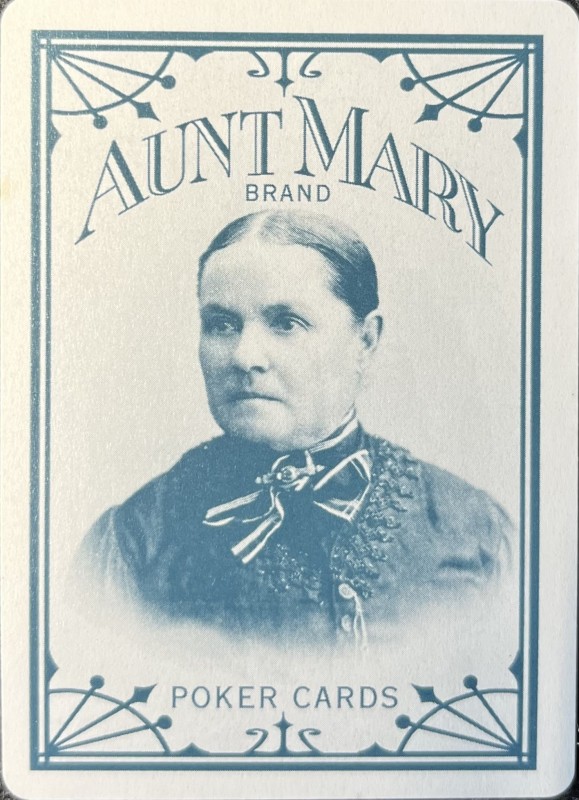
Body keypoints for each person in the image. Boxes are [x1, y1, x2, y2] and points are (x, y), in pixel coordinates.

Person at [77, 210, 513, 649]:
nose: (244, 356)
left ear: (365, 341)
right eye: (221, 324)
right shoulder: (136, 538)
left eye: (286, 323)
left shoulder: (473, 528)